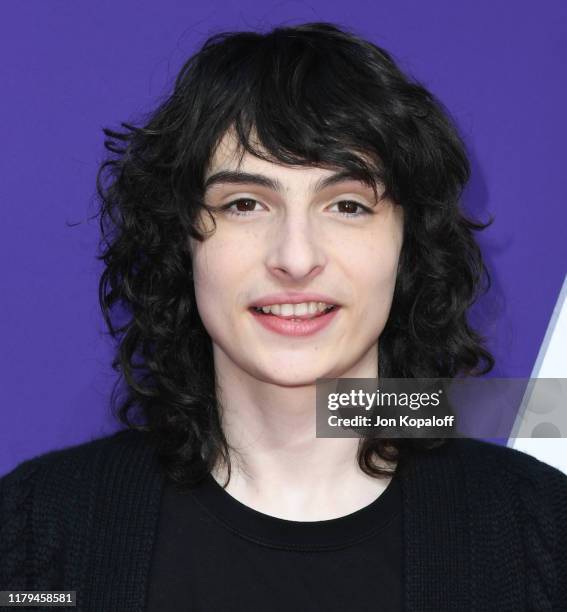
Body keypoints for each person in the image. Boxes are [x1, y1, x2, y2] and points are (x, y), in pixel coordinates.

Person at [1, 22, 566, 612]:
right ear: (182, 243)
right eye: (245, 204)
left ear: (408, 245)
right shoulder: (40, 534)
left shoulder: (537, 534)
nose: (295, 258)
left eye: (347, 205)